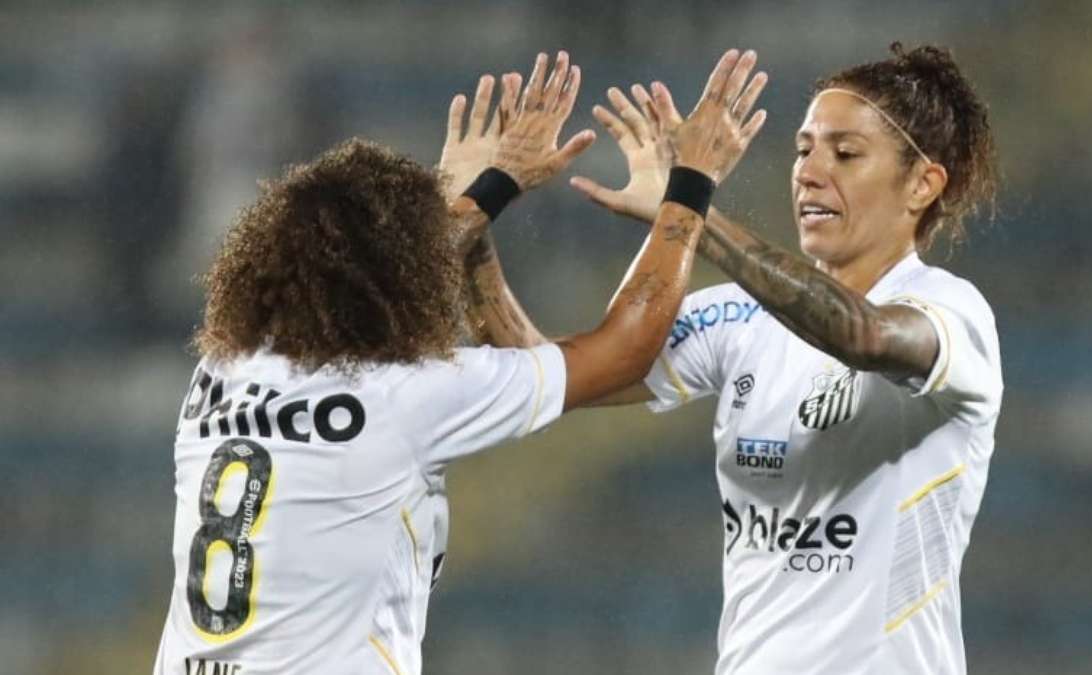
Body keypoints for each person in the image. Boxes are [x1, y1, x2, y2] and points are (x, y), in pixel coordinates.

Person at [153, 50, 766, 675]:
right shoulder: (407, 397)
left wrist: (486, 191)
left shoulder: (220, 374)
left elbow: (368, 279)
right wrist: (691, 185)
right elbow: (623, 351)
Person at [459, 45, 1002, 673]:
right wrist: (475, 218)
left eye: (846, 153)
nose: (809, 172)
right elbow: (544, 376)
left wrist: (688, 203)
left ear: (922, 184)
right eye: (803, 150)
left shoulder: (952, 313)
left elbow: (863, 335)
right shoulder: (737, 317)